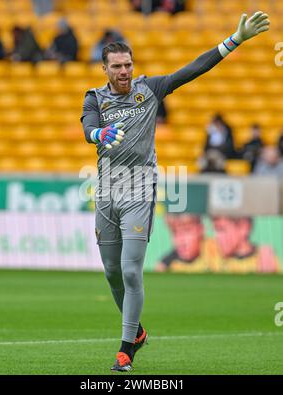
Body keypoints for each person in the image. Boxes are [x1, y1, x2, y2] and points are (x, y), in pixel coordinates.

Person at [81, 11, 270, 372]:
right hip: (106, 191)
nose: (124, 71)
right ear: (104, 69)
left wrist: (234, 40)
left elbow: (193, 68)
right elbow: (88, 126)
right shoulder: (94, 99)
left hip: (139, 188)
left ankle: (125, 350)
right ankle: (136, 332)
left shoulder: (149, 90)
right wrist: (98, 134)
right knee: (111, 272)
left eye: (128, 65)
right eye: (117, 66)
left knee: (132, 271)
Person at [212, 216, 280, 273]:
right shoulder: (212, 253)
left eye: (222, 230)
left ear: (244, 228)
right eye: (216, 231)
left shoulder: (265, 259)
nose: (217, 237)